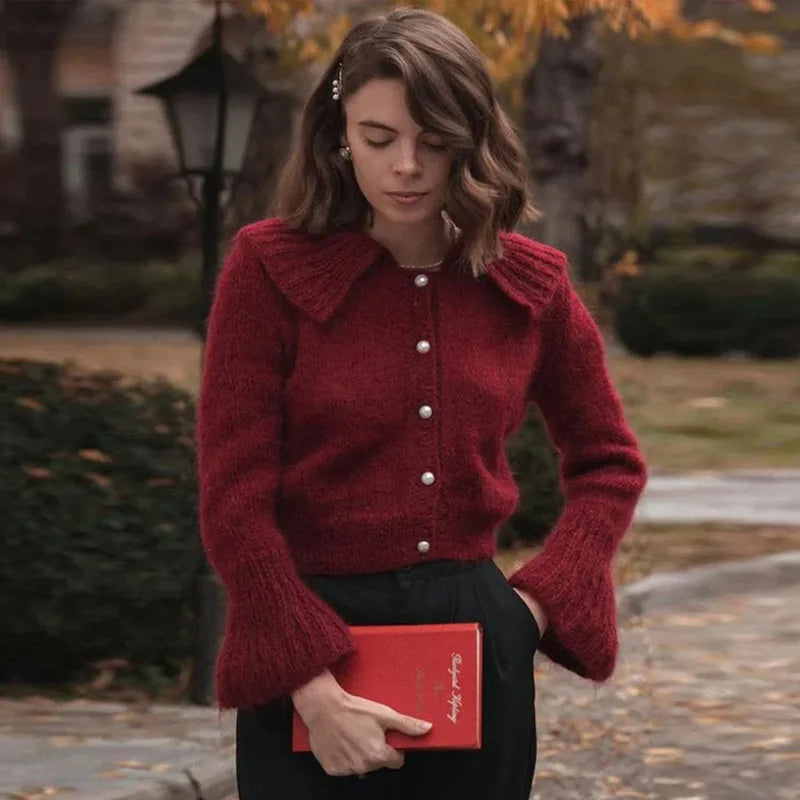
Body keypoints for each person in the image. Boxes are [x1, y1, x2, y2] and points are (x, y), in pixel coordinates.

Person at [196, 7, 647, 799]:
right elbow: (234, 495)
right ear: (339, 134)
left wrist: (534, 609)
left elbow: (610, 462)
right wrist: (310, 684)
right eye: (379, 139)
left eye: (433, 141)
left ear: (471, 142)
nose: (406, 165)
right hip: (308, 635)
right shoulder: (269, 269)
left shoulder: (528, 284)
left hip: (477, 641)